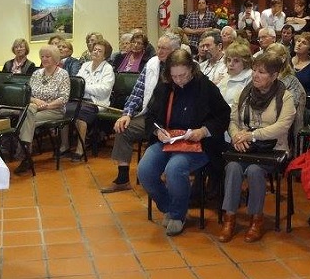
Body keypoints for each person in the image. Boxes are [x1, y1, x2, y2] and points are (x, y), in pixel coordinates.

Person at [137, 48, 230, 236]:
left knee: (175, 168)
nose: (179, 80)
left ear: (192, 69)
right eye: (175, 76)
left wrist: (203, 131)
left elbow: (223, 115)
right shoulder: (165, 85)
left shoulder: (205, 86)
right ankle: (170, 207)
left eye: (183, 75)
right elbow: (152, 116)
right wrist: (158, 130)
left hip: (197, 144)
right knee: (145, 171)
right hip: (169, 140)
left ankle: (178, 215)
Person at [219, 53, 296, 243]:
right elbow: (232, 120)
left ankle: (256, 219)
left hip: (273, 150)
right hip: (245, 146)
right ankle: (230, 218)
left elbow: (282, 127)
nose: (255, 75)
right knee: (233, 167)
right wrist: (237, 136)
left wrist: (252, 135)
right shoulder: (244, 93)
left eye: (261, 72)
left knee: (254, 170)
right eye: (254, 70)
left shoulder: (285, 97)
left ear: (274, 75)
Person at [100, 33, 179, 193]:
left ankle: (161, 176)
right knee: (123, 128)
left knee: (161, 137)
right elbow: (137, 92)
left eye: (164, 48)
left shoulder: (182, 66)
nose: (159, 51)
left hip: (174, 120)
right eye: (158, 47)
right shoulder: (152, 64)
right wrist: (126, 114)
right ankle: (122, 179)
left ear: (175, 50)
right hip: (149, 116)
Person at [14, 44, 70, 174]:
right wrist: (36, 101)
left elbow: (64, 98)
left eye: (48, 56)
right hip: (35, 108)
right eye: (42, 56)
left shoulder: (63, 75)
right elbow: (27, 94)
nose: (44, 59)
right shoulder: (36, 73)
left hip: (55, 110)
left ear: (55, 59)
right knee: (29, 114)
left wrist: (47, 106)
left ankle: (25, 154)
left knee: (26, 117)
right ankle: (27, 154)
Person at [67, 39, 115, 162]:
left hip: (96, 102)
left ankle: (80, 149)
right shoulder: (85, 65)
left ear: (105, 55)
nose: (96, 52)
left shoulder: (108, 69)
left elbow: (104, 89)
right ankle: (64, 147)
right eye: (95, 50)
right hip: (80, 100)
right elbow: (77, 82)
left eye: (100, 51)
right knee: (64, 109)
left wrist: (85, 87)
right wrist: (83, 87)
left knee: (80, 114)